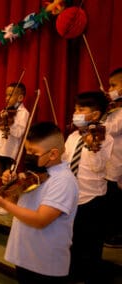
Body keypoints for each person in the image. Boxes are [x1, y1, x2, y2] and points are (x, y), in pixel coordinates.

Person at [0, 122, 79, 284]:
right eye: (27, 150)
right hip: (26, 255)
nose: (28, 156)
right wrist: (9, 188)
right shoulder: (35, 174)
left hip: (46, 262)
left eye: (34, 152)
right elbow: (16, 202)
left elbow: (40, 220)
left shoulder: (63, 181)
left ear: (53, 154)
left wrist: (4, 204)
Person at [63, 91, 113, 283]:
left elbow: (99, 167)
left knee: (91, 244)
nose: (76, 113)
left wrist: (93, 147)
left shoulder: (104, 138)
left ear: (95, 114)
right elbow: (66, 162)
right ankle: (73, 273)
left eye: (81, 109)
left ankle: (91, 276)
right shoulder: (74, 136)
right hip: (72, 196)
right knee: (73, 240)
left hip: (92, 199)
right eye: (75, 109)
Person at [0, 82, 29, 175]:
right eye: (6, 95)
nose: (7, 98)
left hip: (10, 151)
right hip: (0, 149)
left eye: (10, 95)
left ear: (20, 98)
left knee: (9, 176)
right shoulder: (5, 110)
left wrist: (9, 125)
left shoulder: (23, 112)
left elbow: (19, 133)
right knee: (1, 174)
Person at [103, 68, 122, 248]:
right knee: (109, 199)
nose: (109, 89)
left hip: (118, 164)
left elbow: (112, 128)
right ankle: (109, 232)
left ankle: (115, 234)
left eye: (113, 85)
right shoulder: (114, 109)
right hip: (108, 164)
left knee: (115, 201)